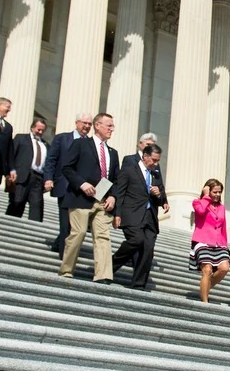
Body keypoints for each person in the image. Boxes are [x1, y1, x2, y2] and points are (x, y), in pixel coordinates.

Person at [58, 112, 118, 283]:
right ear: (97, 125)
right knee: (79, 232)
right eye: (109, 125)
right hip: (81, 198)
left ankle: (103, 275)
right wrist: (82, 184)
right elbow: (67, 168)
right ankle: (67, 269)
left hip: (102, 200)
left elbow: (115, 179)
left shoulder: (113, 153)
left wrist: (113, 196)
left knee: (103, 236)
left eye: (112, 126)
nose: (112, 129)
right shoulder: (80, 144)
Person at [105, 143, 168, 290]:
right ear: (145, 156)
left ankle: (139, 285)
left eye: (158, 160)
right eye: (153, 160)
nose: (155, 164)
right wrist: (117, 214)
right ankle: (108, 268)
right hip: (132, 214)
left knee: (148, 250)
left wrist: (159, 195)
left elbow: (161, 197)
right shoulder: (128, 170)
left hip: (150, 217)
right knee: (136, 240)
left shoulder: (156, 173)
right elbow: (120, 193)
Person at [43, 113, 92, 255]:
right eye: (84, 123)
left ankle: (59, 244)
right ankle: (64, 255)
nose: (87, 126)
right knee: (65, 222)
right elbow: (51, 160)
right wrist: (48, 178)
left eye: (89, 124)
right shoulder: (62, 138)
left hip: (81, 190)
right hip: (64, 185)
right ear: (77, 123)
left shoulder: (90, 144)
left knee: (75, 224)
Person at [190, 178, 230, 302]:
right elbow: (201, 211)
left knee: (224, 268)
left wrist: (225, 244)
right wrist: (206, 196)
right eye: (215, 192)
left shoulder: (222, 207)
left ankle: (205, 286)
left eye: (219, 192)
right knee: (207, 270)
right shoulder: (198, 202)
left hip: (219, 243)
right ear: (208, 191)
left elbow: (223, 227)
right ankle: (205, 303)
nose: (218, 195)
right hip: (202, 240)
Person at [6, 118, 48, 221]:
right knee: (17, 203)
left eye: (43, 130)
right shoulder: (21, 138)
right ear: (32, 128)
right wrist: (10, 171)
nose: (40, 132)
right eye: (38, 129)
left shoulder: (46, 145)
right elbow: (11, 155)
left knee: (37, 208)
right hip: (21, 177)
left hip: (38, 178)